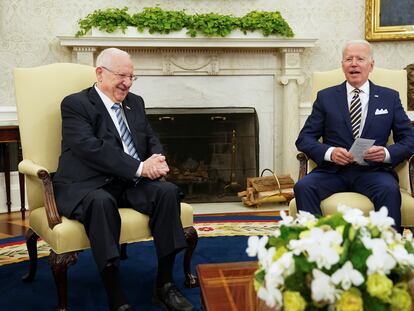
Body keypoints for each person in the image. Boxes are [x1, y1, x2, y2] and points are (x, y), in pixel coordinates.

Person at [53, 48, 194, 311]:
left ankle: (165, 286)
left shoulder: (135, 102)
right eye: (122, 76)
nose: (127, 83)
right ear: (100, 73)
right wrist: (141, 168)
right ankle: (116, 296)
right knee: (101, 202)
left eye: (132, 77)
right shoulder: (75, 104)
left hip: (128, 182)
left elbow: (150, 137)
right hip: (89, 183)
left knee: (167, 193)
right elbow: (90, 148)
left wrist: (157, 160)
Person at [294, 39, 414, 233]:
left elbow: (410, 140)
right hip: (333, 172)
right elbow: (304, 139)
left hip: (374, 172)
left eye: (360, 59)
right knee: (303, 187)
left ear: (371, 65)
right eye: (348, 59)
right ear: (342, 65)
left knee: (389, 190)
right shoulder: (326, 97)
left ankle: (389, 253)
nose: (354, 63)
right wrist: (330, 152)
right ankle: (316, 247)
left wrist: (385, 153)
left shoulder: (389, 97)